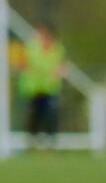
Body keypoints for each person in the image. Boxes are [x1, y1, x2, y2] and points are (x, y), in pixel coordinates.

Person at [18, 21, 68, 149]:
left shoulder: (58, 48)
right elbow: (23, 63)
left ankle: (51, 143)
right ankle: (31, 141)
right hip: (33, 88)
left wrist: (59, 72)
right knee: (34, 116)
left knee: (51, 114)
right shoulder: (32, 47)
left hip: (50, 88)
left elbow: (62, 65)